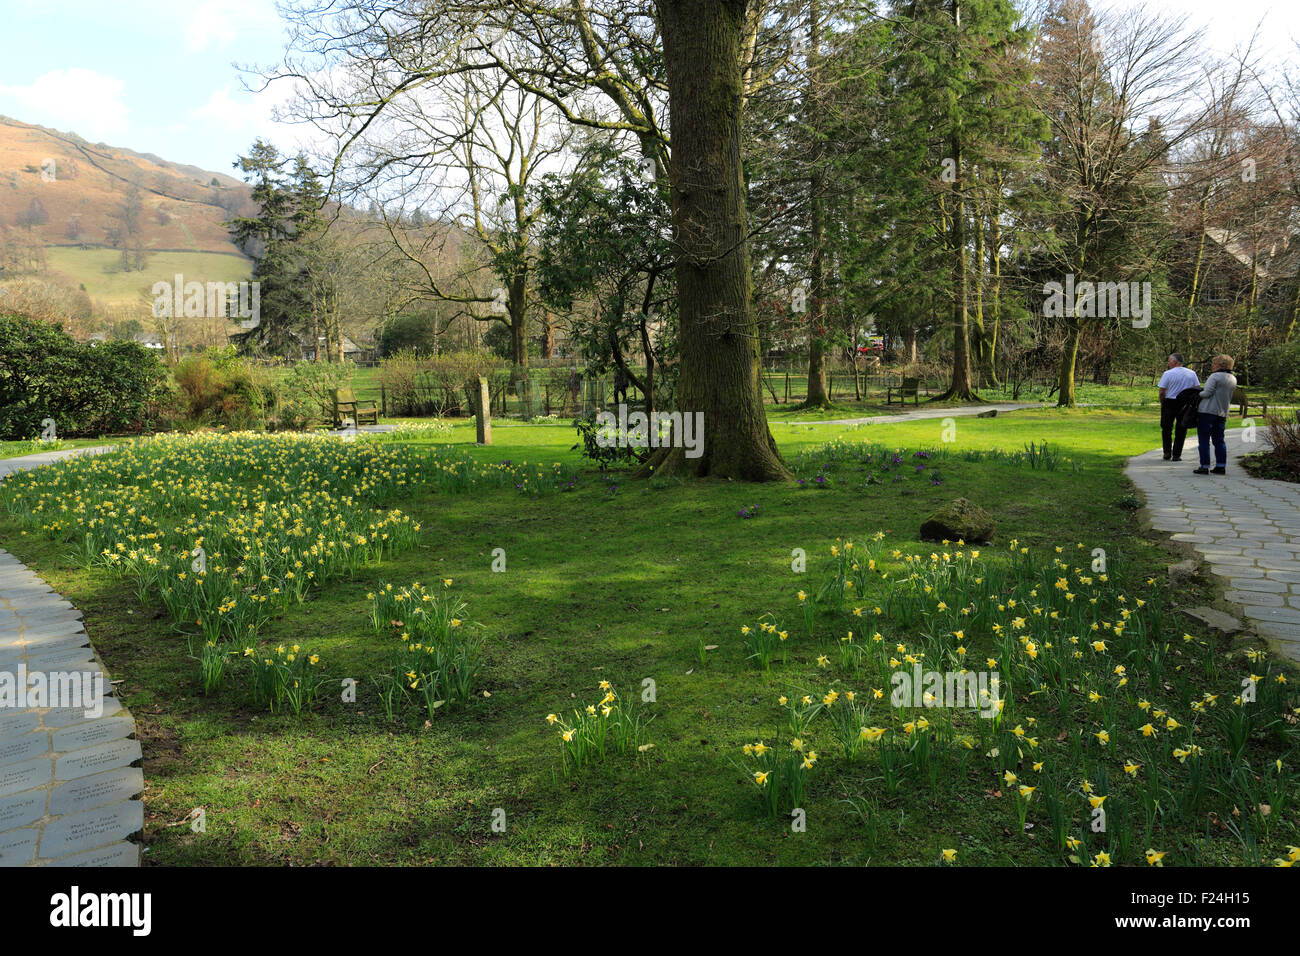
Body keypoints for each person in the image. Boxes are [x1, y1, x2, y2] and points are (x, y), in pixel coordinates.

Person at [1193, 354, 1238, 476]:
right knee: (1219, 440)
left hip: (1207, 411)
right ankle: (1220, 466)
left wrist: (1197, 392)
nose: (1212, 366)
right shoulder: (1233, 378)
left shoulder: (1215, 376)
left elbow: (1207, 393)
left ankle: (1204, 466)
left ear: (1220, 365)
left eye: (1214, 364)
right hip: (1222, 412)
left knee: (1204, 440)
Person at [1157, 353, 1199, 461]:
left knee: (1166, 428)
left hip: (1169, 402)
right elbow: (1196, 388)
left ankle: (1167, 452)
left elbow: (1162, 391)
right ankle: (1177, 454)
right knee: (1181, 428)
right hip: (1185, 403)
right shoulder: (1192, 373)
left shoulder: (1168, 374)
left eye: (1169, 361)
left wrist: (1162, 402)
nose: (1168, 363)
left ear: (1175, 362)